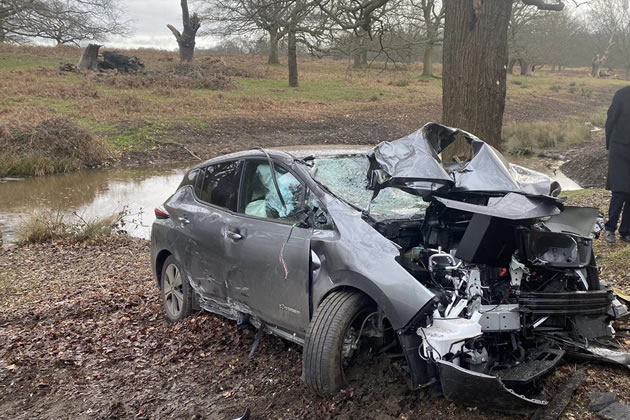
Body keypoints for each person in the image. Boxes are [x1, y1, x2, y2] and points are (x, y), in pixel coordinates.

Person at [603, 85, 630, 243]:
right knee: (619, 191)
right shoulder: (622, 94)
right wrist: (609, 146)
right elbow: (610, 119)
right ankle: (610, 228)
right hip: (619, 147)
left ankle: (626, 231)